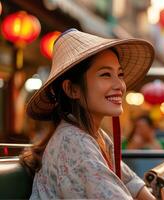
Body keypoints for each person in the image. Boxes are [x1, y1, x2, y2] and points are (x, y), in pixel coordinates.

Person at [21, 29, 156, 199]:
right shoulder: (74, 143)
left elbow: (130, 182)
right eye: (106, 74)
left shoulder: (93, 135)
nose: (120, 85)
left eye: (119, 74)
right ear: (71, 89)